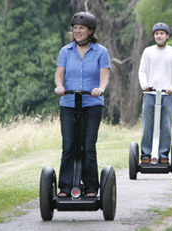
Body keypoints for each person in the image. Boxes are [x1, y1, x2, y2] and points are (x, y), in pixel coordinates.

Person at [54, 12, 110, 198]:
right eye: (75, 28)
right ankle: (65, 187)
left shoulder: (101, 51)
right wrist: (59, 86)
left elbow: (105, 77)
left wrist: (100, 89)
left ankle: (91, 187)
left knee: (88, 146)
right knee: (69, 146)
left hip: (92, 104)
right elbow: (59, 74)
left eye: (81, 28)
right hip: (69, 103)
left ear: (90, 31)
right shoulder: (65, 51)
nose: (77, 31)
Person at [138, 22, 172, 164]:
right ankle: (146, 154)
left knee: (166, 126)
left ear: (167, 36)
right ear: (154, 36)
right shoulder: (148, 51)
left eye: (162, 33)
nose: (159, 36)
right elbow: (142, 71)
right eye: (156, 34)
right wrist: (144, 85)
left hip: (167, 94)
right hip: (150, 94)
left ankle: (164, 155)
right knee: (147, 125)